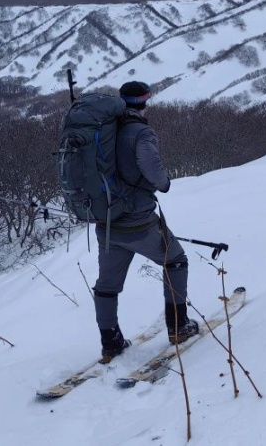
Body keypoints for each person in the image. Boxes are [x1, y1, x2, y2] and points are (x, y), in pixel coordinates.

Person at [93, 80, 198, 361]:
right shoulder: (140, 132)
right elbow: (151, 168)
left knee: (106, 286)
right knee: (175, 261)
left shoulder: (101, 131)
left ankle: (110, 342)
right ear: (146, 100)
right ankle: (178, 327)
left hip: (106, 223)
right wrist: (163, 183)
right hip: (137, 221)